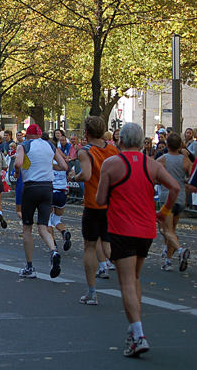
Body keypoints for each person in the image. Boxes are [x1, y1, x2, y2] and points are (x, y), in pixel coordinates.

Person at [96, 122, 179, 357]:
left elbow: (101, 199)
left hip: (122, 229)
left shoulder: (112, 164)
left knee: (127, 283)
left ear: (121, 140)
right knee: (135, 278)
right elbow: (174, 187)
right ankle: (135, 328)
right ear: (142, 140)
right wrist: (163, 213)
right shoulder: (152, 165)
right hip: (146, 231)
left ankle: (138, 335)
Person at [71, 116, 119, 304]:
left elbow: (87, 174)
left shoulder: (85, 151)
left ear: (87, 132)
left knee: (90, 246)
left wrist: (75, 177)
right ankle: (128, 272)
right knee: (107, 244)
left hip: (93, 203)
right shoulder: (113, 149)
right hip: (112, 203)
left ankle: (92, 292)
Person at [14, 124, 68, 279]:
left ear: (28, 135)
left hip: (31, 187)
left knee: (27, 228)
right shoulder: (50, 145)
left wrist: (18, 173)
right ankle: (53, 250)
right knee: (43, 225)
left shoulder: (24, 145)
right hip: (47, 188)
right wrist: (49, 167)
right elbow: (64, 166)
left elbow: (18, 164)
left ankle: (29, 267)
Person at [156, 132, 191, 271]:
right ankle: (167, 259)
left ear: (167, 145)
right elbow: (192, 174)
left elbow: (152, 174)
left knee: (165, 230)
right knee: (172, 230)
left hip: (167, 197)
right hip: (181, 197)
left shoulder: (162, 159)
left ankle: (181, 250)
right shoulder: (185, 160)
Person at [49, 160, 72, 251]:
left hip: (50, 191)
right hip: (62, 193)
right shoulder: (63, 163)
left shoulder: (48, 160)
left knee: (47, 221)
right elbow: (70, 175)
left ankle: (53, 244)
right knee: (56, 219)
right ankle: (64, 232)